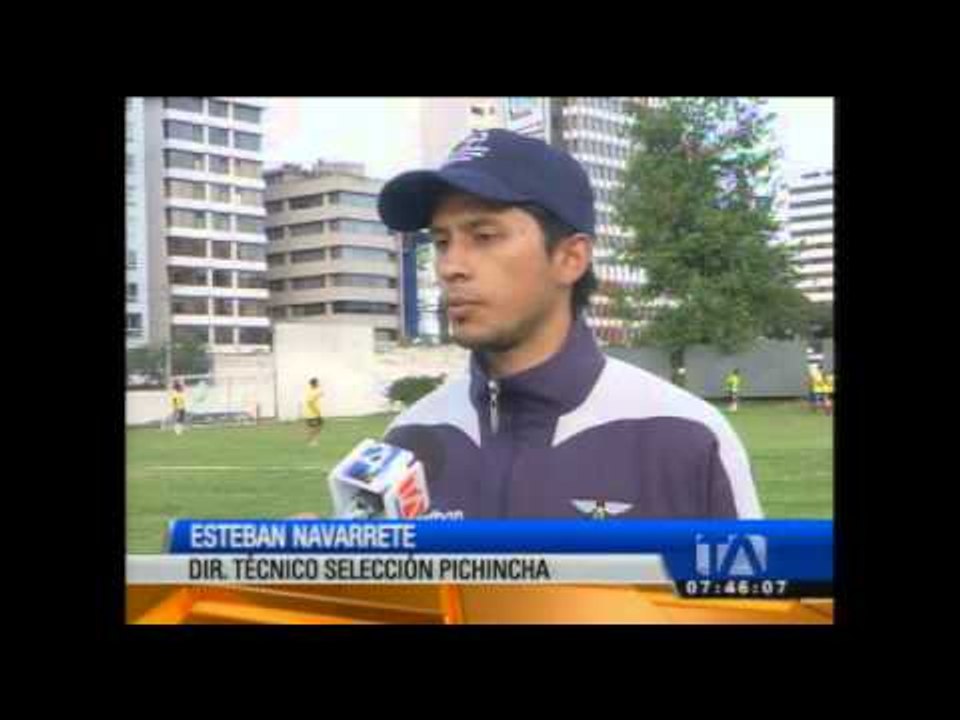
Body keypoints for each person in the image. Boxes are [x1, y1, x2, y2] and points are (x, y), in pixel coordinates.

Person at [374, 129, 761, 519]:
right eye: (442, 242)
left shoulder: (686, 438)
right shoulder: (407, 443)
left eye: (485, 236)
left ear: (570, 258)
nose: (450, 267)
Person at [304, 378, 324, 446]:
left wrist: (319, 392)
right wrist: (317, 412)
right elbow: (310, 403)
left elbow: (321, 394)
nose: (318, 384)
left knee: (319, 426)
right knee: (314, 428)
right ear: (314, 384)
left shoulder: (315, 391)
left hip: (314, 413)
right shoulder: (311, 392)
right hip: (312, 414)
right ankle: (311, 441)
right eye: (317, 383)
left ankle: (312, 440)